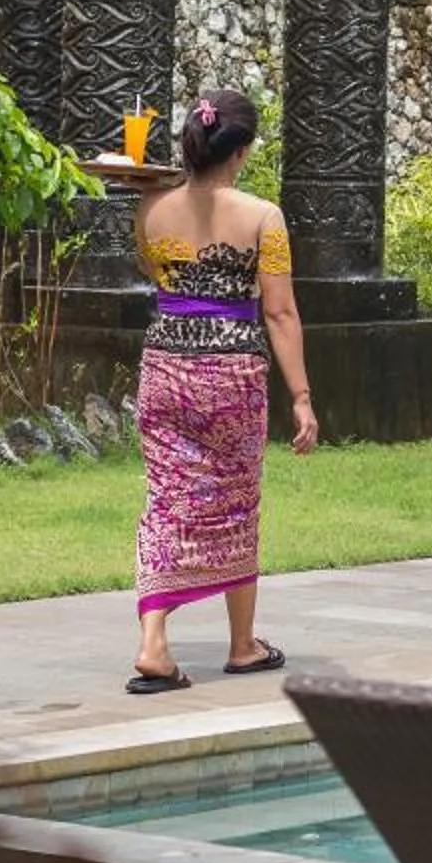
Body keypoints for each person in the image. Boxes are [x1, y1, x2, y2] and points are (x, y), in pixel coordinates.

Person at [129, 91, 316, 694]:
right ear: (238, 151)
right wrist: (303, 397)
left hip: (163, 366)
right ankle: (242, 645)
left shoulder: (151, 209)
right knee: (237, 501)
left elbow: (155, 274)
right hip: (230, 374)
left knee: (166, 500)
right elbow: (280, 314)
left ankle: (153, 642)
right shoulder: (263, 217)